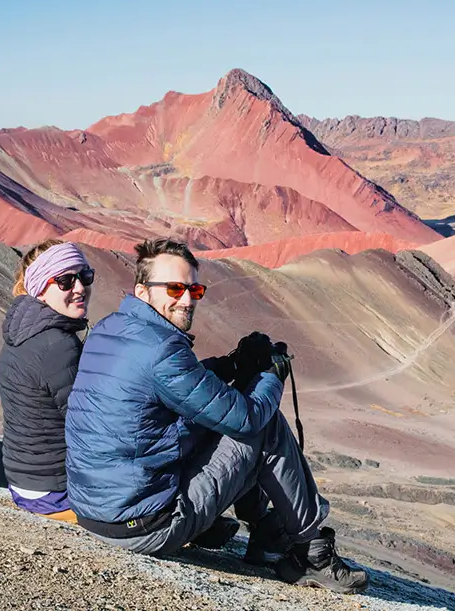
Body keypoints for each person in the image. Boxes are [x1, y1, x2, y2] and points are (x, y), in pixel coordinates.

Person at [66, 237, 369, 593]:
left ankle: (267, 532)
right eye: (175, 288)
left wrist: (234, 364)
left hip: (97, 511)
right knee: (262, 424)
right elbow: (247, 419)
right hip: (146, 525)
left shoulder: (111, 329)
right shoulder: (162, 349)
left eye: (194, 288)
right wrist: (271, 376)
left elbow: (182, 384)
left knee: (227, 415)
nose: (187, 298)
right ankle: (311, 554)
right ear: (143, 291)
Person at [0, 239, 95, 524]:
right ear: (40, 289)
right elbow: (91, 425)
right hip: (55, 491)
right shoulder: (56, 344)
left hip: (27, 484)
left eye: (84, 276)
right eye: (65, 281)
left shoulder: (22, 332)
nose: (79, 287)